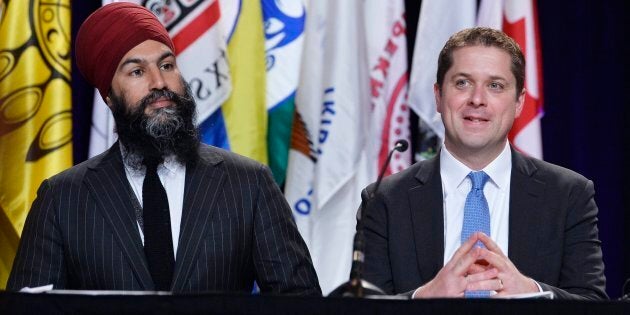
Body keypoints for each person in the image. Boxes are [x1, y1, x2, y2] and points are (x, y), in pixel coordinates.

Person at [7, 2, 320, 295]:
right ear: (108, 96)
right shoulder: (62, 199)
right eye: (137, 71)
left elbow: (299, 302)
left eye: (167, 65)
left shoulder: (249, 184)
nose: (159, 82)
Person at [360, 27, 607, 300]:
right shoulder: (383, 199)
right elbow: (362, 306)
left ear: (518, 103)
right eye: (462, 83)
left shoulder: (568, 194)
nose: (477, 99)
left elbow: (592, 302)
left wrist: (531, 292)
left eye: (495, 86)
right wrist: (423, 297)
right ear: (439, 96)